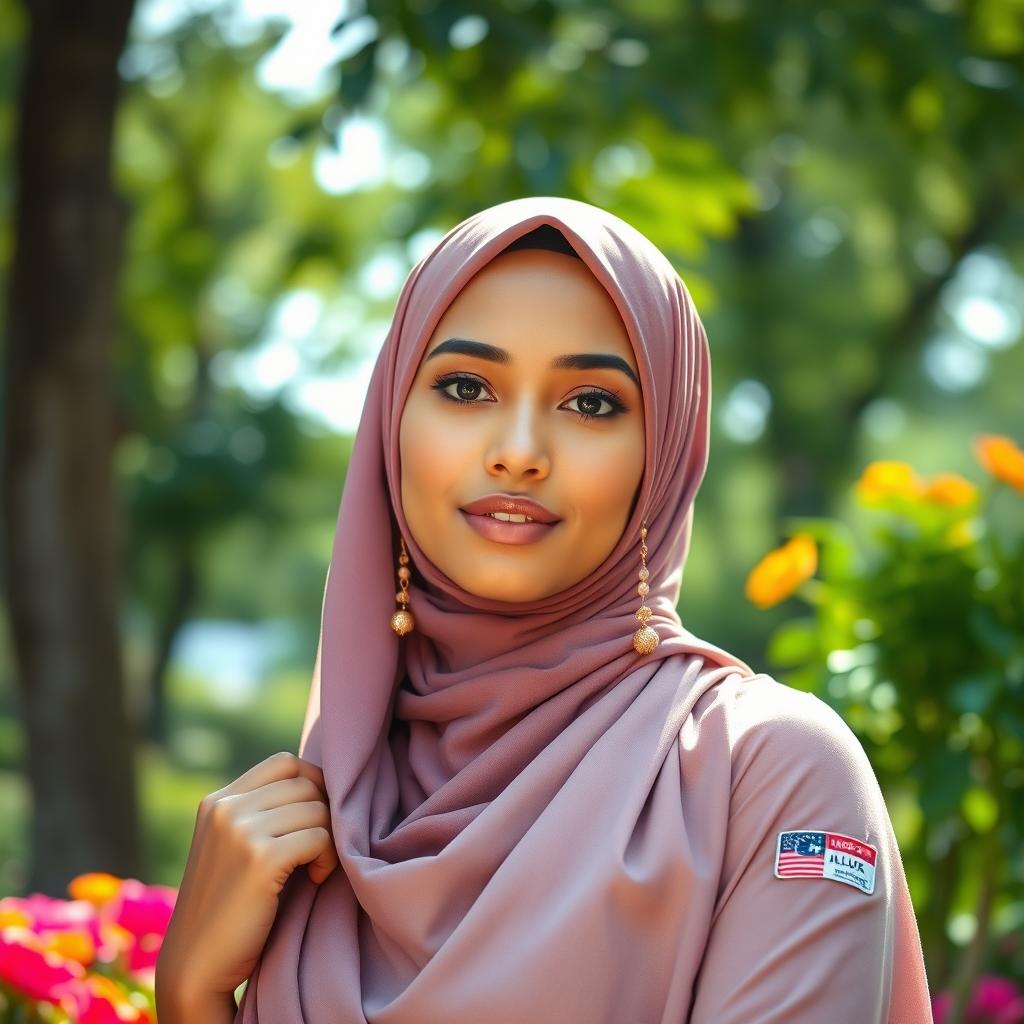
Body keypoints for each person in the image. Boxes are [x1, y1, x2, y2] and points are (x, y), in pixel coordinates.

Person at [155, 197, 934, 1023]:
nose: (519, 450)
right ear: (390, 425)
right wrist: (191, 994)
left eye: (591, 402)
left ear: (662, 454)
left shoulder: (764, 775)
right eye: (465, 386)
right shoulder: (321, 810)